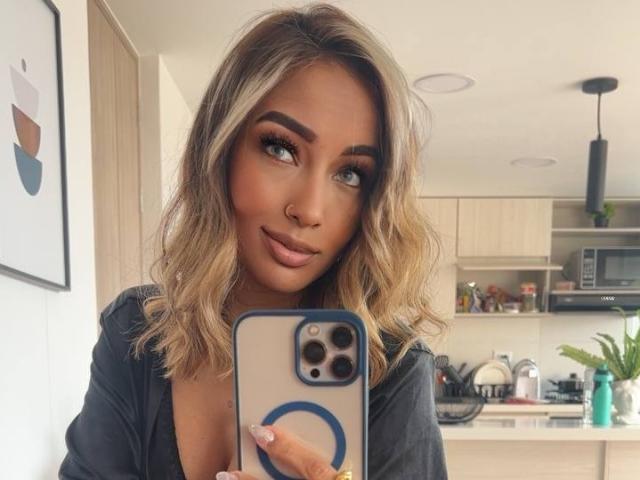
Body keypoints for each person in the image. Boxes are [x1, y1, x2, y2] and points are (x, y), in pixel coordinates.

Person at [60, 3, 448, 479]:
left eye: (351, 174)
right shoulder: (136, 333)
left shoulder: (393, 368)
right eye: (281, 148)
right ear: (220, 149)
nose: (310, 210)